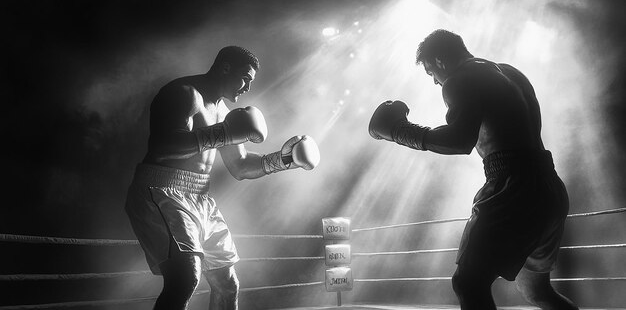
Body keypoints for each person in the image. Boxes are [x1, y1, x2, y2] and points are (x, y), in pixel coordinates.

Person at [368, 29, 578, 310]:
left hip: (514, 188)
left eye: (431, 72)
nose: (434, 81)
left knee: (468, 283)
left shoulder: (459, 80)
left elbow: (459, 140)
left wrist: (399, 131)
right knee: (537, 292)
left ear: (440, 61)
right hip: (549, 186)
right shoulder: (511, 73)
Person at [125, 46, 320, 310]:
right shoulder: (183, 94)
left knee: (227, 284)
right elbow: (163, 147)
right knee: (184, 278)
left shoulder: (226, 114)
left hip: (201, 197)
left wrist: (285, 160)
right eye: (245, 79)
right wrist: (224, 134)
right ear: (225, 67)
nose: (247, 88)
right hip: (161, 189)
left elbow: (239, 166)